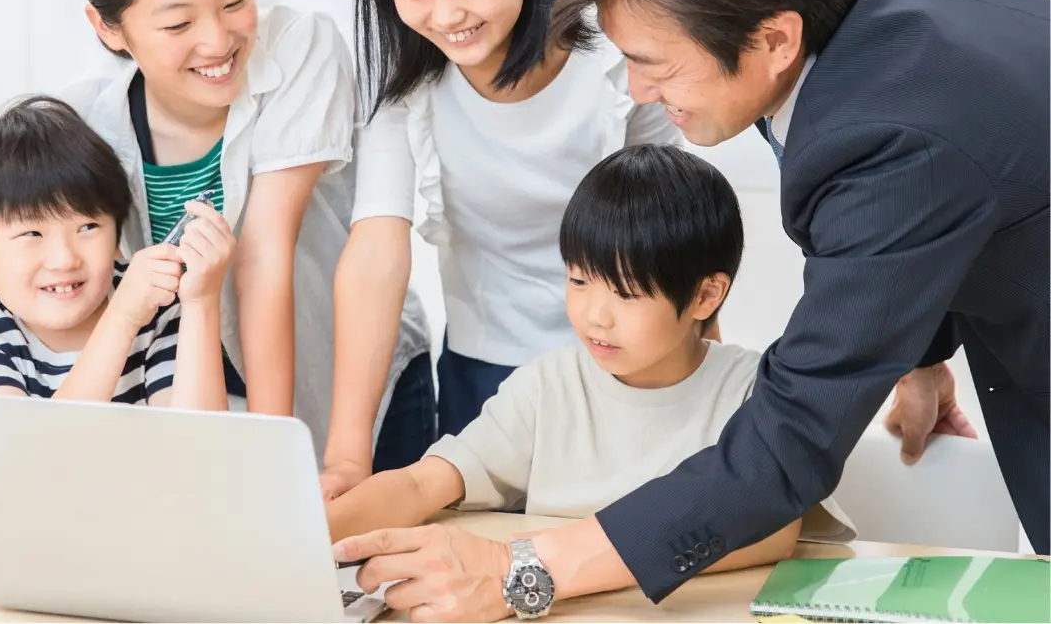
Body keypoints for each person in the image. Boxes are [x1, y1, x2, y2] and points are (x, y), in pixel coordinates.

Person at [335, 0, 1049, 619]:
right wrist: (915, 347)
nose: (638, 89)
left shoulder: (889, 136)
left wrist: (519, 570)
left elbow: (783, 450)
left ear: (775, 40)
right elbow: (949, 196)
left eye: (656, 64)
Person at [323, 0, 678, 498]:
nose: (444, 15)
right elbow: (375, 257)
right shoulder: (408, 95)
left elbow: (675, 238)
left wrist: (699, 398)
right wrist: (346, 455)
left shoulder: (620, 64)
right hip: (482, 379)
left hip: (623, 374)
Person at [329, 147, 854, 597]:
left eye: (626, 293)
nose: (595, 316)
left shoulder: (753, 391)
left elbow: (771, 531)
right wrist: (314, 532)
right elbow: (420, 484)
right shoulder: (547, 386)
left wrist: (554, 558)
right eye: (579, 280)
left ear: (704, 295)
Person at [62, 0, 432, 461]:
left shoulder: (300, 46)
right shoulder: (86, 120)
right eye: (178, 24)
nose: (218, 41)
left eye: (234, 1)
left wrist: (270, 451)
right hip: (189, 393)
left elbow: (264, 252)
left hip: (338, 373)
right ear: (108, 27)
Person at [0, 96, 232, 407]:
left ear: (117, 233)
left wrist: (201, 302)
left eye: (88, 227)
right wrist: (122, 318)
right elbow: (34, 440)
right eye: (31, 234)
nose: (65, 260)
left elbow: (197, 435)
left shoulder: (157, 308)